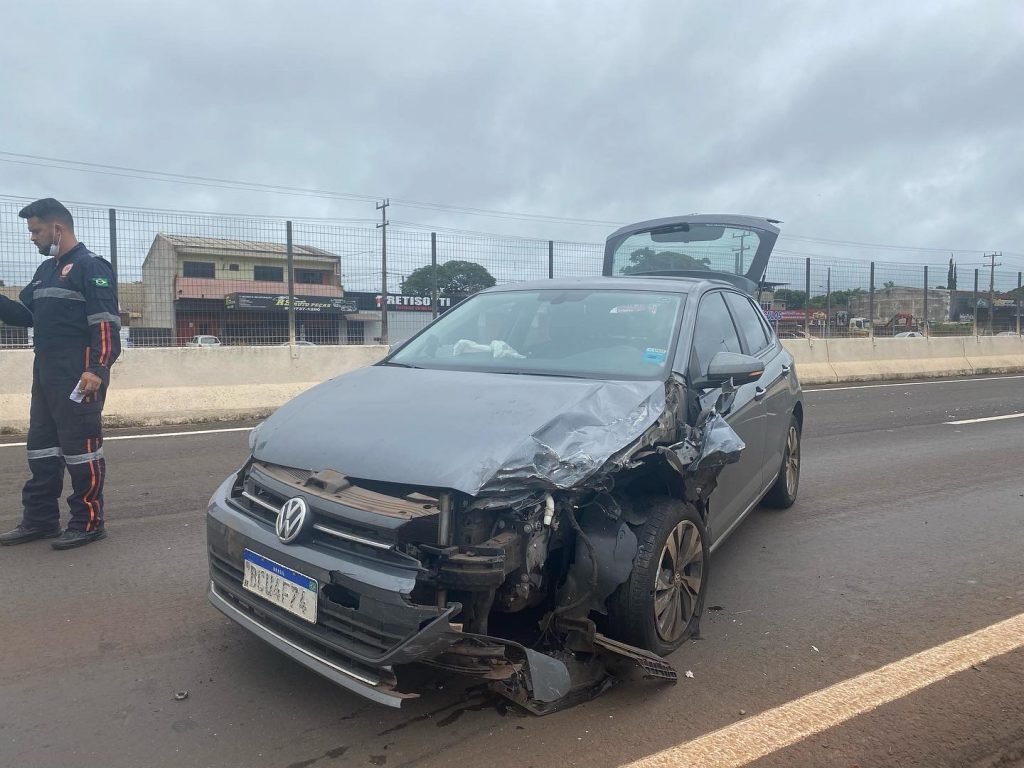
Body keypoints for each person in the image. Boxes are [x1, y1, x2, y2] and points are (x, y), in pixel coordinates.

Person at [0, 198, 121, 549]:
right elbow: (26, 315)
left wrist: (98, 368)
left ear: (58, 228)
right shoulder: (45, 271)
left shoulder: (90, 266)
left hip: (79, 373)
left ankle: (88, 522)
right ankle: (40, 520)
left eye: (36, 231)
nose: (32, 237)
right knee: (42, 449)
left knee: (81, 451)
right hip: (46, 373)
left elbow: (105, 323)